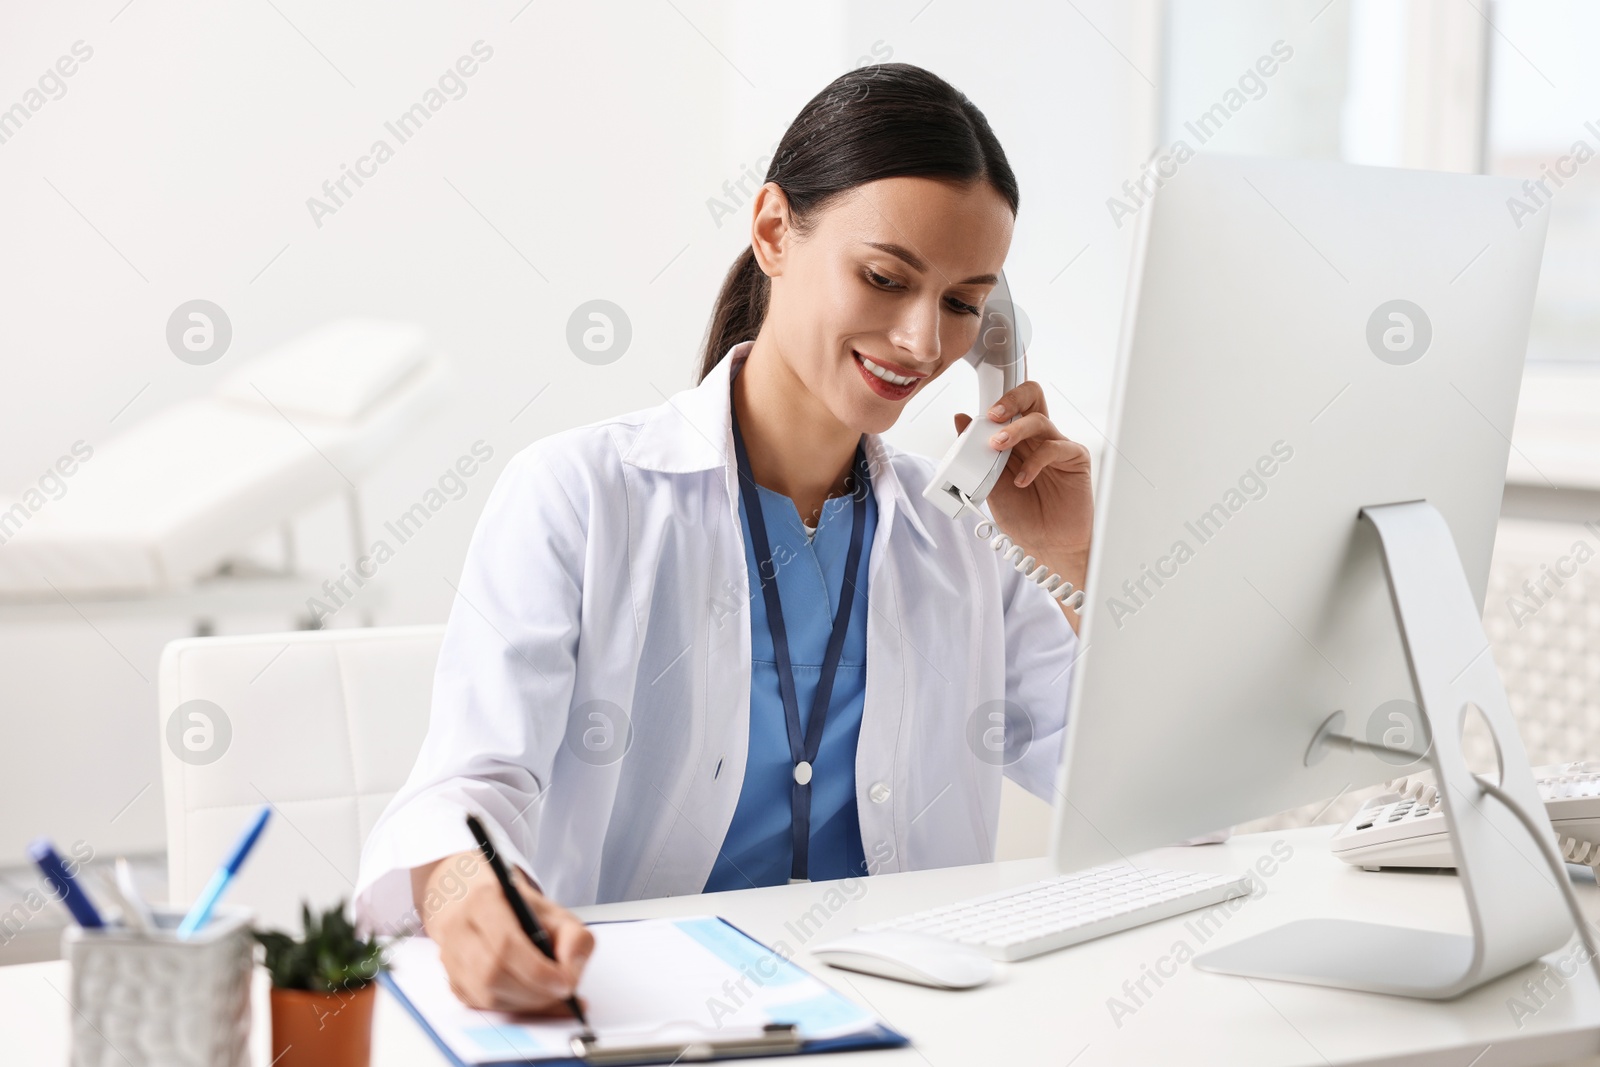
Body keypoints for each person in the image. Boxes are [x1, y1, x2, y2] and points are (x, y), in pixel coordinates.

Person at [353, 62, 1093, 1015]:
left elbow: (1138, 791)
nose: (920, 341)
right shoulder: (580, 494)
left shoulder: (957, 535)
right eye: (884, 278)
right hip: (646, 1018)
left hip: (907, 1015)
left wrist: (1074, 563)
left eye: (961, 303)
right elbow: (471, 780)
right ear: (775, 231)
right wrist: (468, 893)